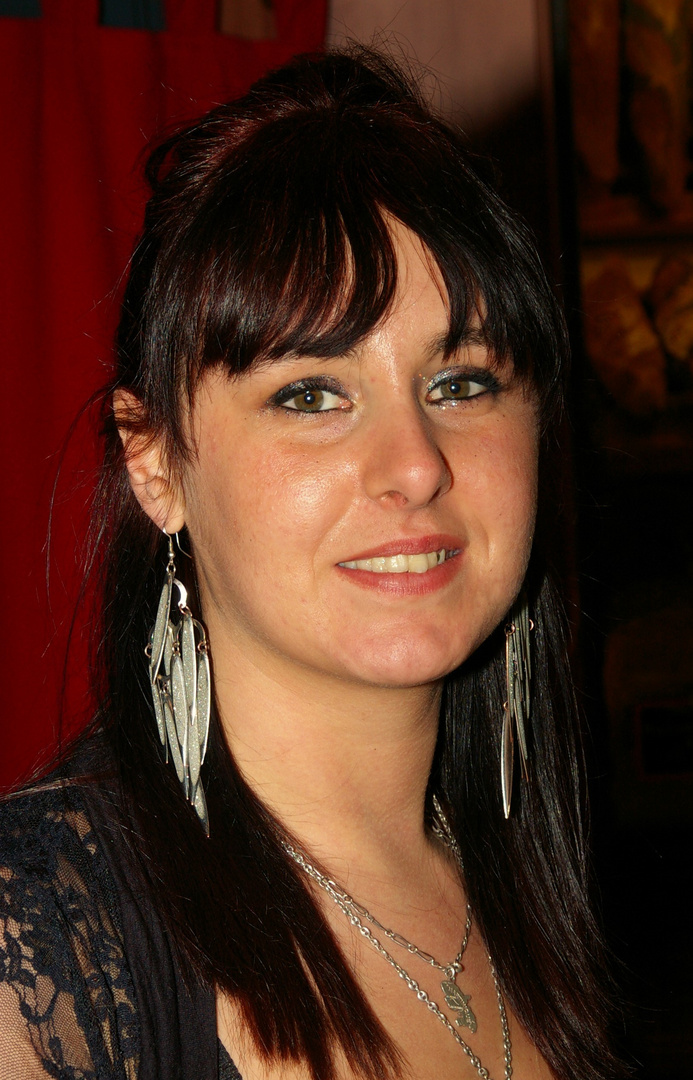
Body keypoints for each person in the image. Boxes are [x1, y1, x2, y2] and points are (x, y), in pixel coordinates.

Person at [0, 48, 625, 1080]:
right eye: (310, 395)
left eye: (462, 382)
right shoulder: (43, 946)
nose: (415, 465)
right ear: (155, 464)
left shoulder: (535, 872)